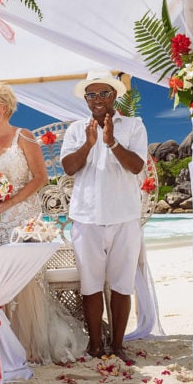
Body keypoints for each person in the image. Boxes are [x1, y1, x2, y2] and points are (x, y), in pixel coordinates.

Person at [0, 81, 88, 364]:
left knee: (25, 283)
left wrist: (11, 201)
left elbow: (40, 178)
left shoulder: (23, 137)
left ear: (3, 107)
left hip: (22, 220)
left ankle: (29, 345)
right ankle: (2, 344)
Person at [61, 69, 148, 364]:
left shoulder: (134, 126)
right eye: (92, 95)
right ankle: (96, 345)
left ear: (114, 96)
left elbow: (137, 166)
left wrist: (111, 142)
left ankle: (119, 344)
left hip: (124, 216)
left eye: (103, 93)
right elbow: (69, 168)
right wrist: (89, 143)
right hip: (86, 217)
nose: (97, 99)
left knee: (123, 284)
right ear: (86, 99)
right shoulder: (75, 130)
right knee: (91, 284)